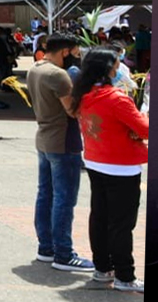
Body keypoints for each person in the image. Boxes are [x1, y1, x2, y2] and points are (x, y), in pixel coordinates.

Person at [70, 47, 147, 293]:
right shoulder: (116, 98)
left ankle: (103, 268)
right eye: (116, 65)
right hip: (121, 165)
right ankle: (125, 275)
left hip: (96, 160)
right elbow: (145, 129)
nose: (119, 69)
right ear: (107, 69)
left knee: (100, 217)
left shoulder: (83, 94)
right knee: (121, 224)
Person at [27, 33, 94, 272]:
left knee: (45, 194)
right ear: (65, 51)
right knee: (64, 199)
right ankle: (64, 253)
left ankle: (46, 247)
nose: (77, 58)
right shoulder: (59, 75)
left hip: (45, 138)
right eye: (75, 53)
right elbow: (72, 111)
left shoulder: (36, 69)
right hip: (63, 140)